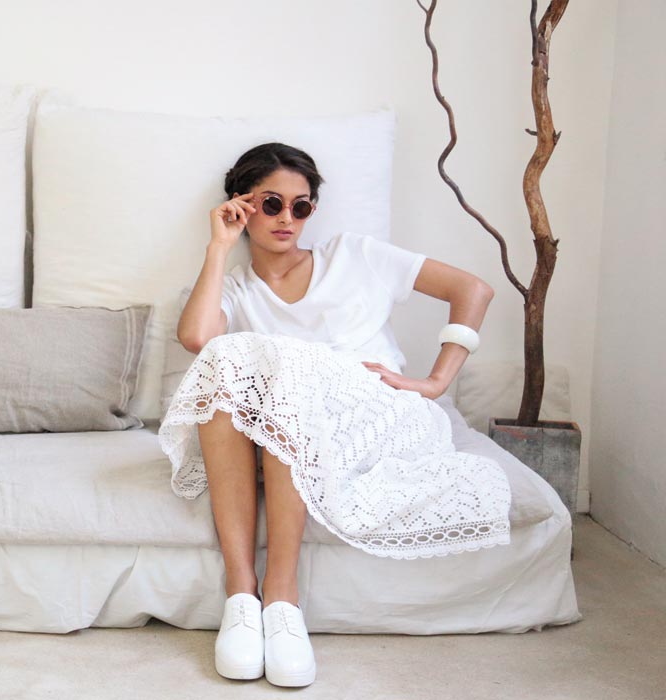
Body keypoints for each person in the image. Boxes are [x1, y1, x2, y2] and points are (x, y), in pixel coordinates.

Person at [157, 143, 512, 688]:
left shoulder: (355, 254)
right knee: (229, 364)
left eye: (300, 207)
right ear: (241, 205)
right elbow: (198, 339)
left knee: (282, 375)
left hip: (376, 413)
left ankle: (282, 598)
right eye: (271, 204)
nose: (287, 218)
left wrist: (436, 381)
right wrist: (219, 247)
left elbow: (473, 290)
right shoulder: (235, 288)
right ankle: (241, 597)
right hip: (293, 417)